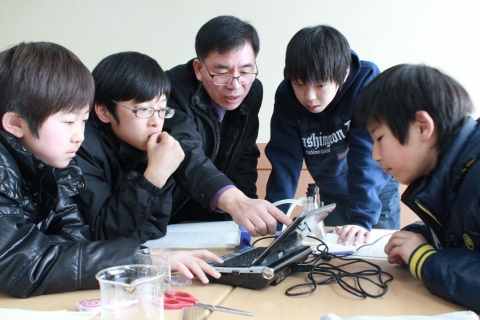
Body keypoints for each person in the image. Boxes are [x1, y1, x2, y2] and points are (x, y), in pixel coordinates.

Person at [0, 42, 221, 298]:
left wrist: (140, 256)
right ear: (16, 123)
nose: (78, 136)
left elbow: (78, 241)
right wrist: (144, 260)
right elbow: (23, 265)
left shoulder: (51, 164)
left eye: (82, 121)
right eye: (69, 122)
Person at [354, 64, 480, 312]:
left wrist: (423, 259)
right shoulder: (457, 171)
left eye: (379, 138)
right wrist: (423, 234)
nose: (375, 155)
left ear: (422, 126)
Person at [265, 25, 400, 245]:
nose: (309, 97)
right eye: (299, 84)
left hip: (375, 192)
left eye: (320, 85)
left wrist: (362, 218)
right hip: (332, 192)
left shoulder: (365, 81)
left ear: (344, 73)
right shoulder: (286, 95)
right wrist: (275, 219)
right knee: (335, 256)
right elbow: (284, 160)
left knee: (377, 256)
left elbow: (365, 151)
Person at [165, 15, 291, 236]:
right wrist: (235, 201)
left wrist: (248, 217)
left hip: (217, 217)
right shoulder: (170, 90)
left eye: (245, 72)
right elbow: (185, 153)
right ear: (198, 68)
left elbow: (245, 156)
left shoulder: (253, 91)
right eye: (222, 73)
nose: (236, 86)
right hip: (168, 216)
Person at [75, 51, 183, 243]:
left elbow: (154, 229)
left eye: (161, 110)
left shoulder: (150, 148)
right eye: (143, 110)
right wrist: (153, 177)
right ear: (104, 111)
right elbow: (101, 236)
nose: (156, 122)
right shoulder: (80, 147)